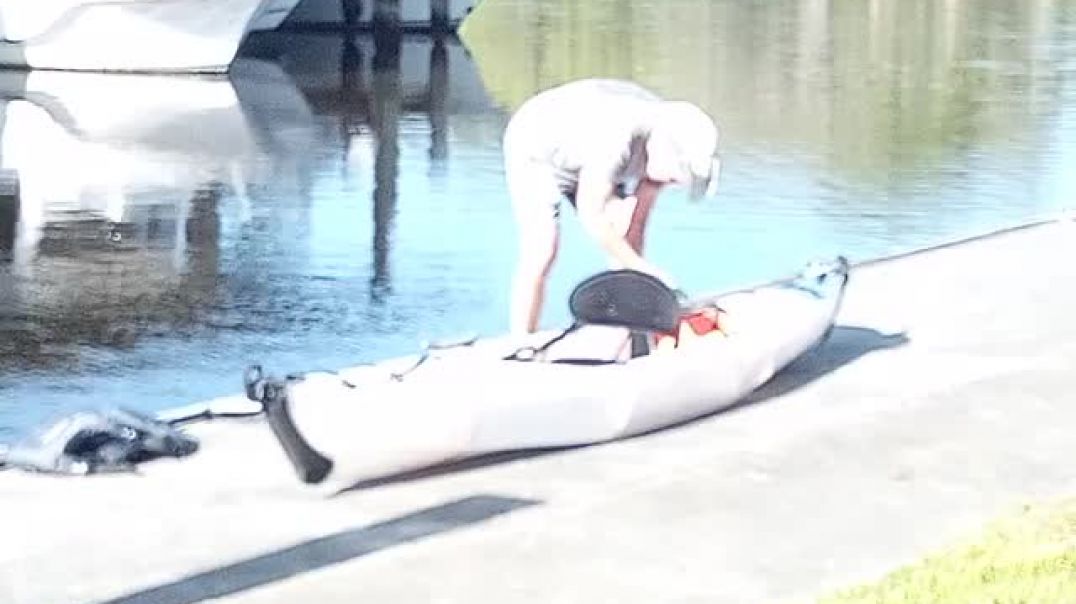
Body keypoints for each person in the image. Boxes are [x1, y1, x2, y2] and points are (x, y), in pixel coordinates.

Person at [502, 78, 722, 335]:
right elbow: (590, 213)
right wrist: (644, 269)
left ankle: (627, 332)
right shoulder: (616, 138)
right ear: (664, 149)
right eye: (677, 175)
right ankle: (521, 340)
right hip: (536, 146)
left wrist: (640, 278)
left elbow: (636, 227)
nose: (672, 183)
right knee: (542, 249)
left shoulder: (666, 143)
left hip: (590, 154)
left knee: (621, 226)